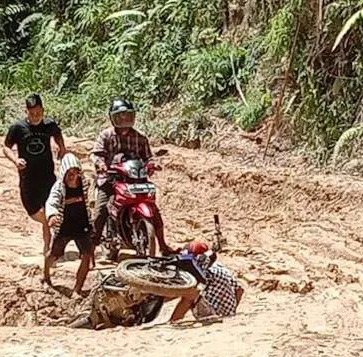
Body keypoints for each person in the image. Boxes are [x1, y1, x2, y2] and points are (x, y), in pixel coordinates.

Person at [68, 240, 243, 329]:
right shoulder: (221, 269)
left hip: (213, 317)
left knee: (191, 293)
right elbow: (240, 290)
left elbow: (187, 297)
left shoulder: (197, 278)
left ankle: (171, 322)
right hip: (228, 314)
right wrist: (231, 310)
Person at [89, 98, 173, 255]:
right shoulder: (106, 136)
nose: (124, 118)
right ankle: (90, 251)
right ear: (113, 117)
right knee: (101, 210)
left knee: (153, 208)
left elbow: (149, 157)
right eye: (120, 115)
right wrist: (100, 164)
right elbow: (96, 155)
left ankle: (162, 245)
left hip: (136, 179)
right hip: (110, 179)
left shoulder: (140, 138)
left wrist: (153, 164)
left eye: (128, 115)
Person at [2, 93, 67, 255]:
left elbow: (58, 135)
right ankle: (50, 243)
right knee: (33, 212)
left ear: (43, 111)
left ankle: (48, 248)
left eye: (38, 113)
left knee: (47, 212)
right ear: (26, 112)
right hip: (27, 179)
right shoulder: (18, 128)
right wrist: (15, 160)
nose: (36, 116)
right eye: (32, 114)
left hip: (47, 178)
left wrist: (62, 148)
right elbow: (6, 147)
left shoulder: (49, 125)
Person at [43, 153, 93, 296]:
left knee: (86, 255)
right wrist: (52, 215)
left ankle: (77, 289)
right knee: (54, 254)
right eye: (69, 173)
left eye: (75, 173)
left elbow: (93, 196)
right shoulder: (59, 187)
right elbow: (52, 201)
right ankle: (46, 277)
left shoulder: (85, 183)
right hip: (64, 226)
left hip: (82, 224)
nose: (72, 176)